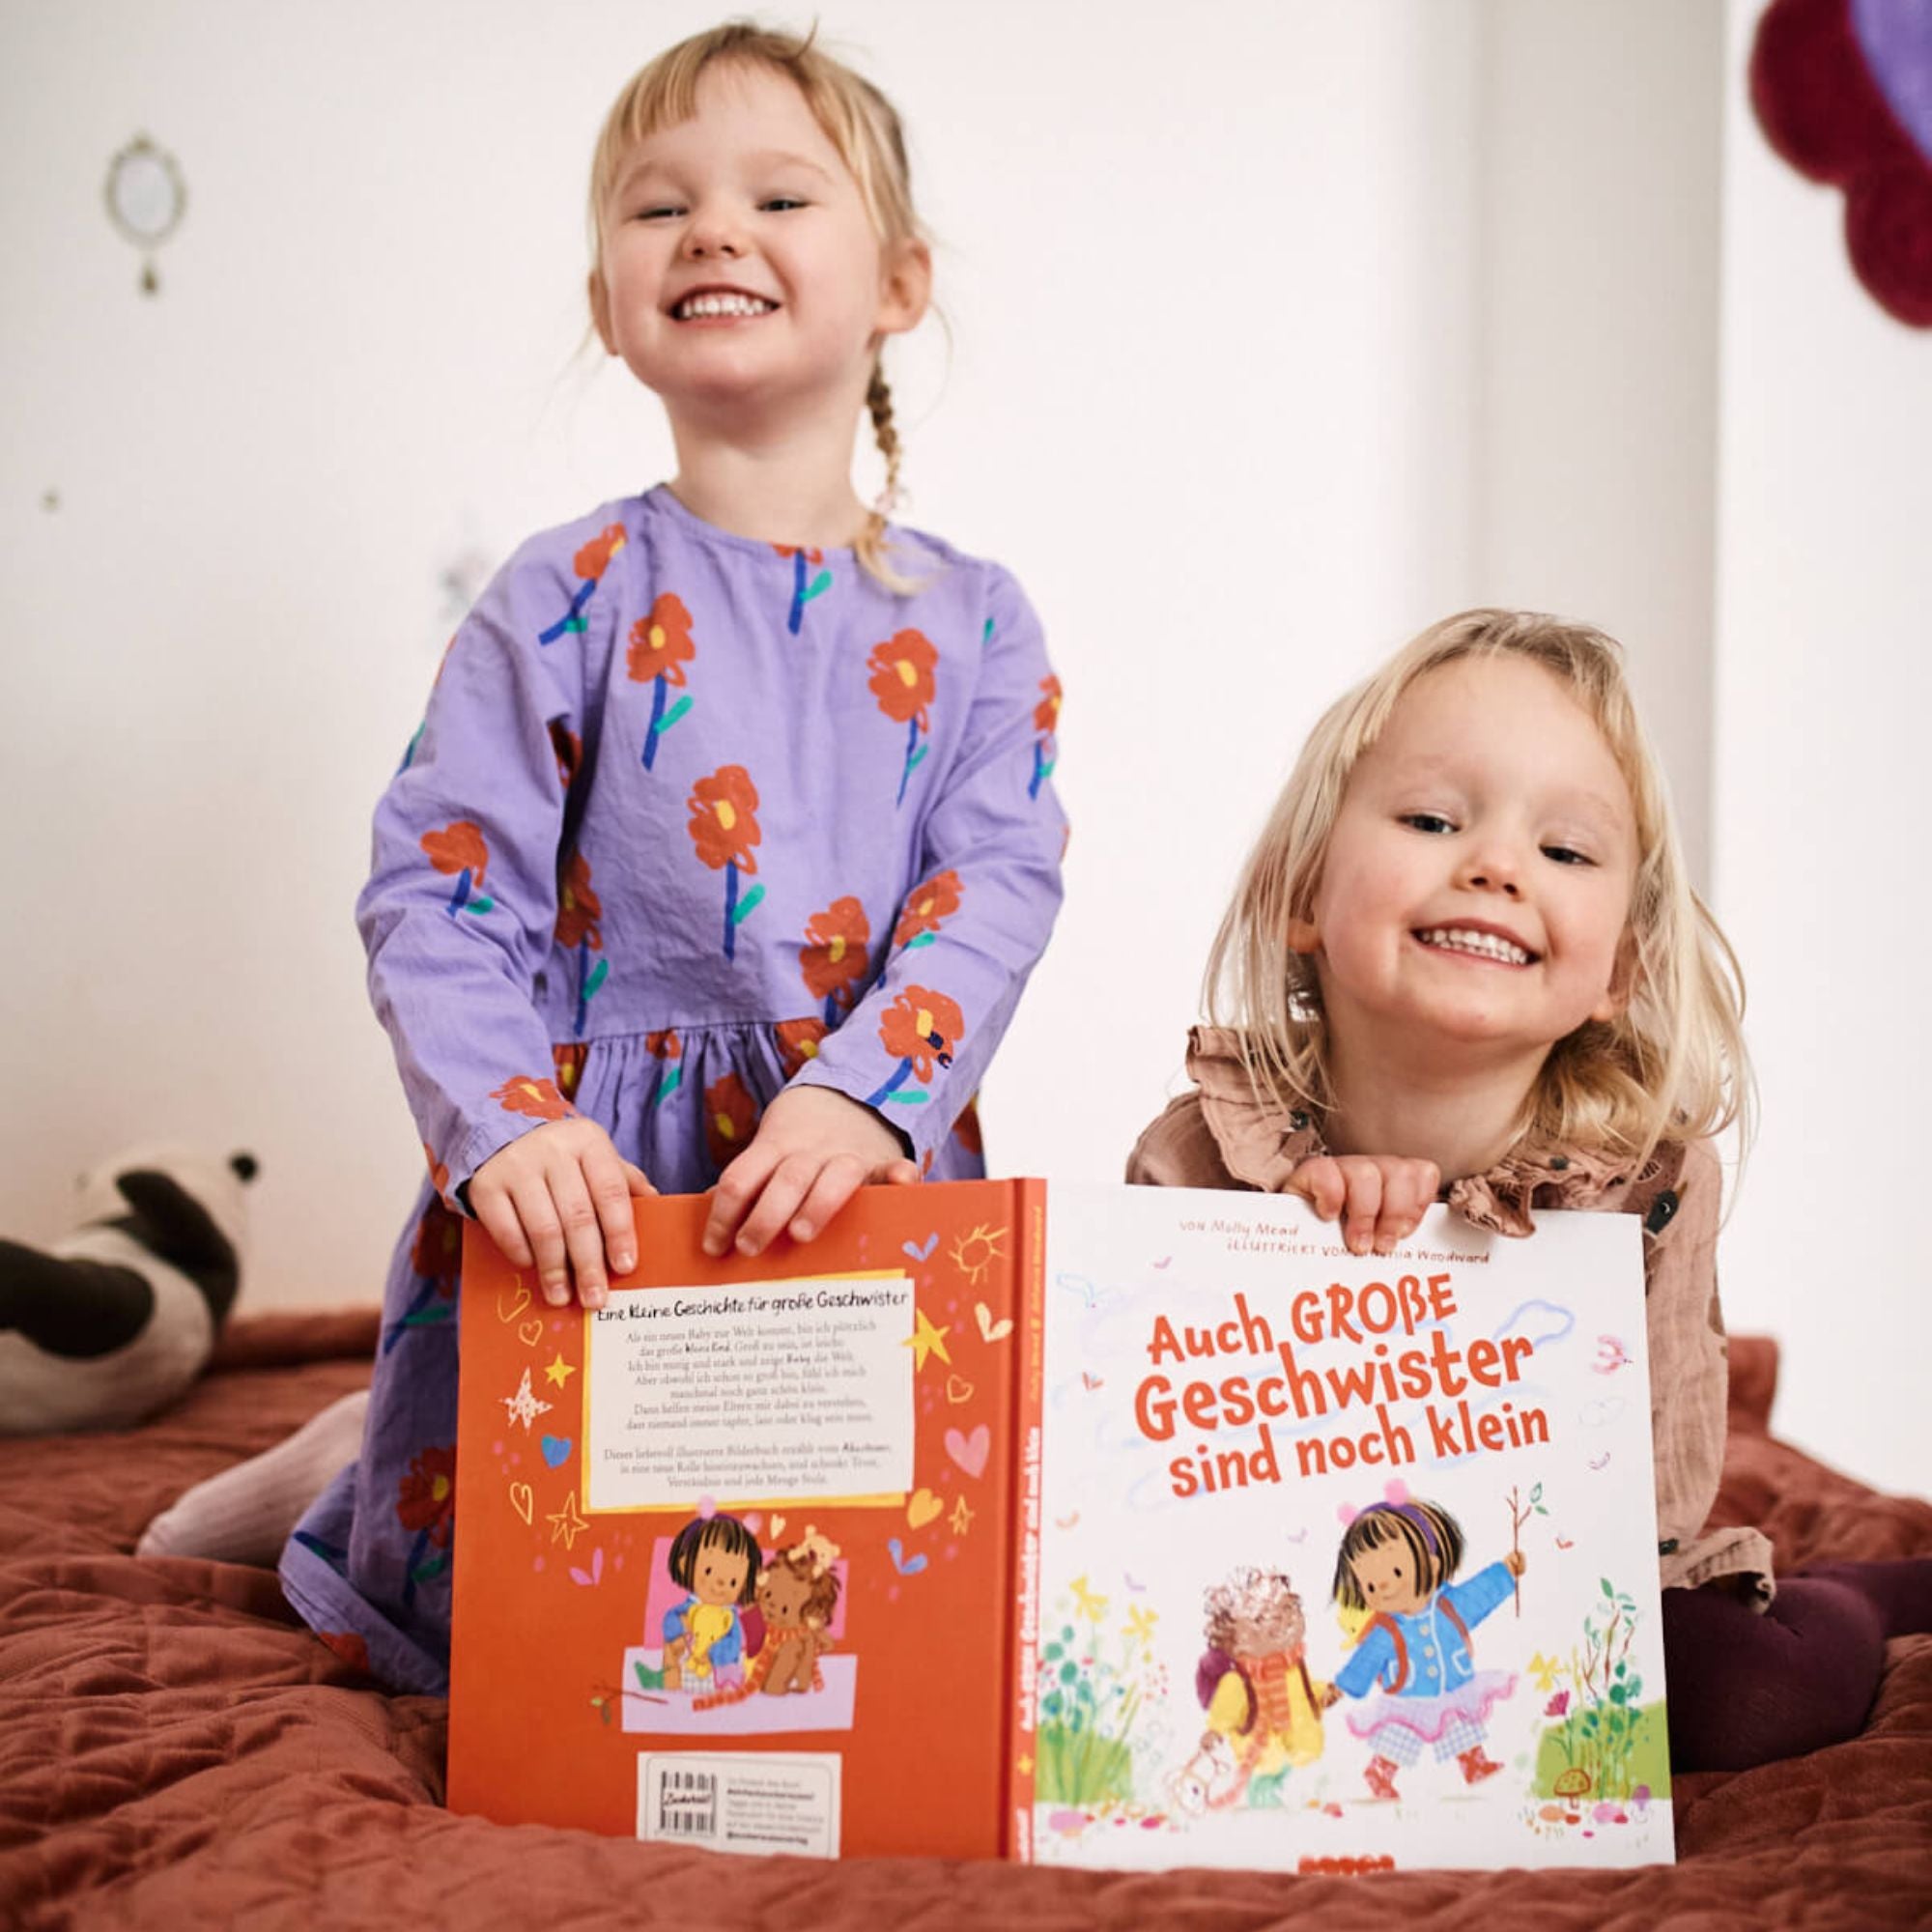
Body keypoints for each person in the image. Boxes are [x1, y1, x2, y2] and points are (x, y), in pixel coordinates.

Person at [263, 23, 1065, 1693]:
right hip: (593, 1193)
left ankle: (335, 1462)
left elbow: (992, 889)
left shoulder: (977, 621)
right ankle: (338, 1490)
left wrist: (869, 1092)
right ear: (605, 304)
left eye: (779, 193)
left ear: (900, 282)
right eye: (656, 209)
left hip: (848, 1160)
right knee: (536, 1617)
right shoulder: (561, 594)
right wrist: (507, 1129)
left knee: (841, 1614)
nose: (711, 231)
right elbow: (436, 889)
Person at [1128, 608, 1929, 1772]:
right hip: (1308, 1585)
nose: (1494, 864)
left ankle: (1853, 1594)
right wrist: (1302, 1226)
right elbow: (1152, 1461)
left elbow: (1657, 1484)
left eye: (1562, 851)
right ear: (1305, 893)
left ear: (1619, 969)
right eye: (1430, 819)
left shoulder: (1646, 1183)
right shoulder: (1200, 1154)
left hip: (1547, 1577)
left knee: (1741, 1700)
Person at [1326, 1497, 1520, 1800]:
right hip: (1408, 1697)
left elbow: (1479, 1593)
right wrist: (1341, 1687)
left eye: (1397, 1573)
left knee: (1460, 1722)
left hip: (1450, 1687)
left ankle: (1474, 1764)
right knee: (1398, 1736)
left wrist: (1505, 1572)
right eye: (1372, 1587)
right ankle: (1379, 1772)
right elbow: (1366, 1660)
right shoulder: (1386, 1630)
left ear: (1432, 1564)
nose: (1385, 1588)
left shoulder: (1448, 1607)